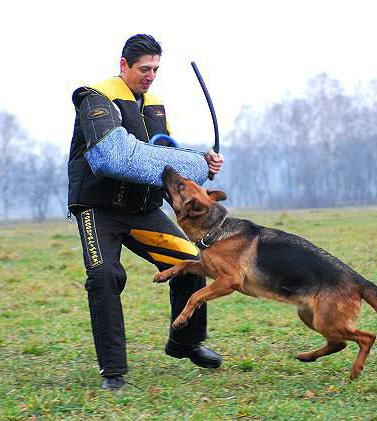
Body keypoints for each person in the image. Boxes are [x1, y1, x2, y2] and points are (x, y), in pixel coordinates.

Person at [67, 34, 224, 391]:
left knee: (190, 262)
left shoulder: (155, 105)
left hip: (142, 211)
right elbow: (116, 160)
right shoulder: (96, 98)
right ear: (123, 65)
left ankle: (186, 343)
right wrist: (193, 163)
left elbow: (164, 156)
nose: (150, 75)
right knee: (105, 276)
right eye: (144, 68)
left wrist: (202, 162)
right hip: (98, 210)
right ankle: (113, 372)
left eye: (155, 68)